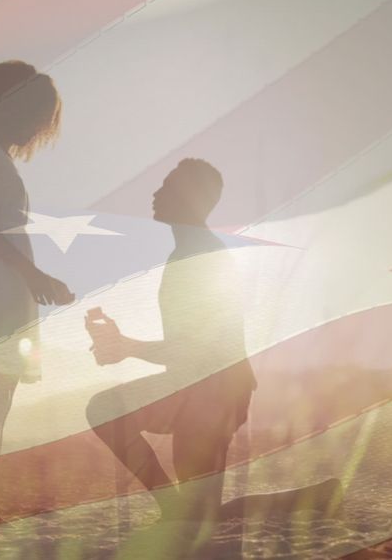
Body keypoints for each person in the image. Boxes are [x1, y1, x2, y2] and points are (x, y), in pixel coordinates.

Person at [85, 158, 257, 525]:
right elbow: (191, 349)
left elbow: (199, 350)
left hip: (213, 396)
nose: (156, 192)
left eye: (167, 187)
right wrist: (122, 344)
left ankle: (173, 507)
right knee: (201, 515)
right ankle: (316, 497)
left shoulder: (200, 257)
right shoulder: (187, 253)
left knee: (104, 411)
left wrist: (127, 346)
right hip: (201, 392)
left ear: (189, 198)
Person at [0, 60, 74, 526]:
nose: (40, 126)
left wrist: (36, 277)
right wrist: (33, 276)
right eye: (37, 113)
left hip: (6, 277)